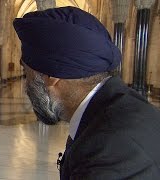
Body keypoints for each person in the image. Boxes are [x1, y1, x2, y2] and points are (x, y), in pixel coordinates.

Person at [13, 6, 160, 179]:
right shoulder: (117, 109)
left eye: (27, 74)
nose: (27, 85)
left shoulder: (108, 149)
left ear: (50, 76)